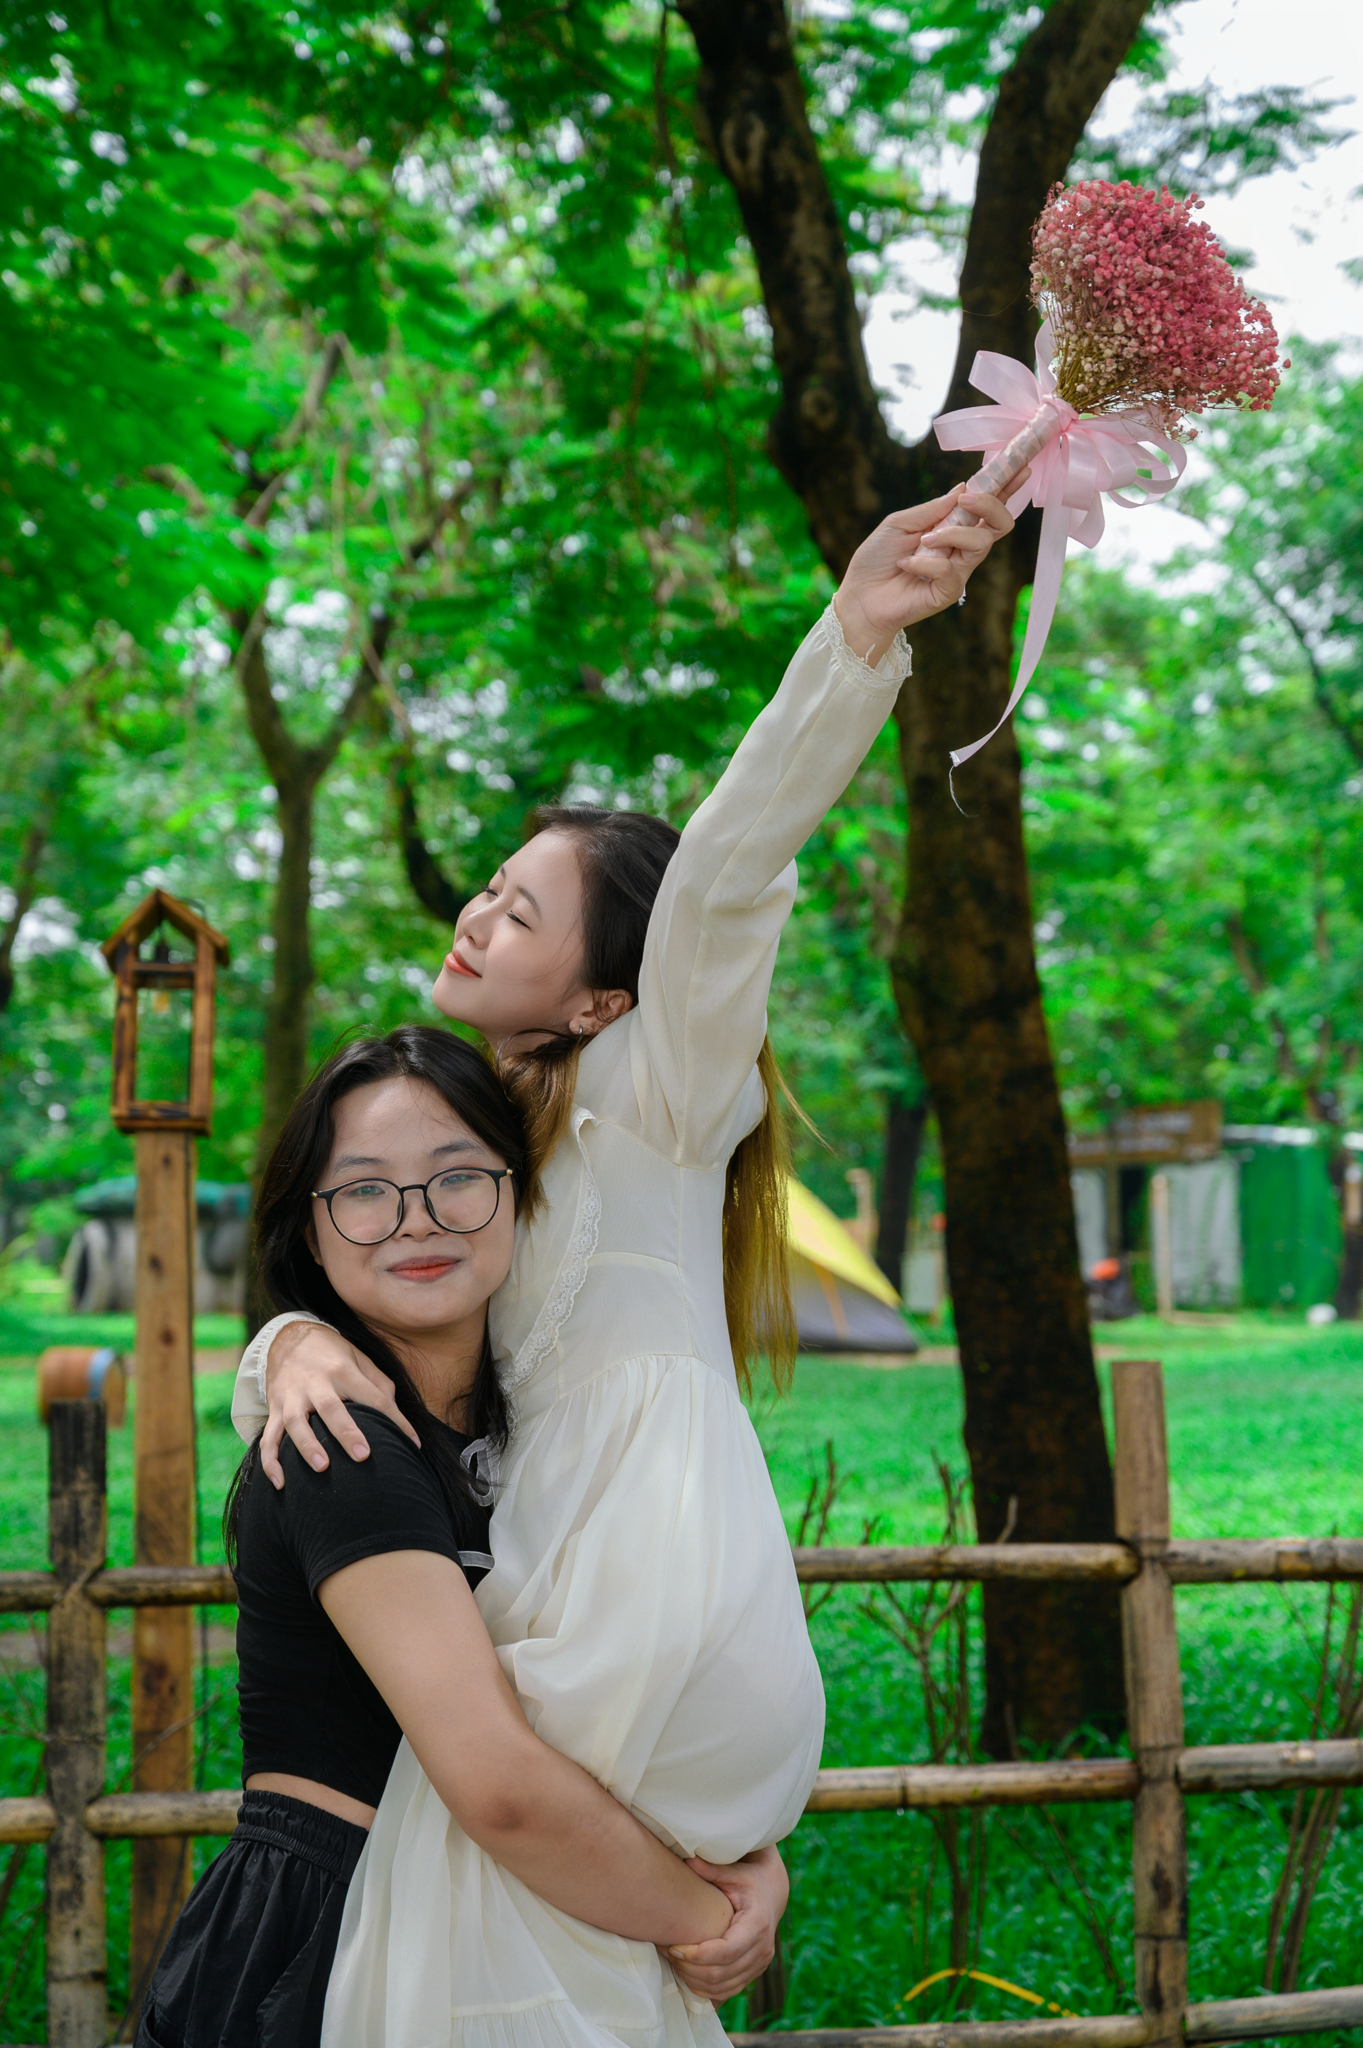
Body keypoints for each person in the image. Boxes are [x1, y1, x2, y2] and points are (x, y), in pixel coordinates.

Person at [229, 483, 1020, 2047]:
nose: (476, 912)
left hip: (629, 1628)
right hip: (564, 1639)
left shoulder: (653, 1101)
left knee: (493, 1906)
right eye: (489, 885)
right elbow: (388, 1309)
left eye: (521, 910)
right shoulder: (480, 1159)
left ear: (605, 995)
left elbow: (728, 875)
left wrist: (854, 638)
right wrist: (283, 1347)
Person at [140, 1029, 778, 2048]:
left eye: (458, 1177)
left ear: (521, 1197)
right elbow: (500, 1787)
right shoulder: (342, 1450)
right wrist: (707, 1912)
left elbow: (624, 1702)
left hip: (527, 1916)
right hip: (336, 1935)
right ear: (309, 1230)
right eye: (363, 1189)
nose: (417, 1219)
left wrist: (741, 1854)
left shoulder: (549, 1445)